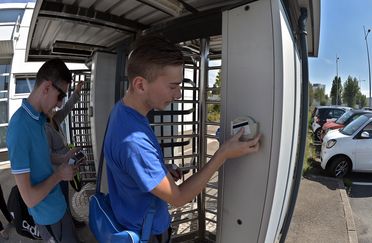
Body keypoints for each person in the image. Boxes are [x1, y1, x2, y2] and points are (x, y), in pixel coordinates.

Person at [104, 35, 261, 242]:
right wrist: (222, 154)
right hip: (146, 234)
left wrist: (160, 169)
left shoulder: (121, 111)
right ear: (140, 85)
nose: (178, 94)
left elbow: (131, 165)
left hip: (135, 219)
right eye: (172, 86)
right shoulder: (134, 142)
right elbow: (178, 198)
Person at [6, 58, 80, 243]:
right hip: (48, 217)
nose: (61, 103)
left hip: (58, 206)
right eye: (60, 95)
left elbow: (42, 157)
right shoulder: (19, 127)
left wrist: (63, 158)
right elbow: (29, 199)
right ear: (46, 87)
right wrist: (60, 176)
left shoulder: (38, 120)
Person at [45, 80, 85, 226]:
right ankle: (68, 226)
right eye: (55, 103)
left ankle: (71, 222)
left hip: (64, 167)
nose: (58, 106)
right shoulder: (43, 127)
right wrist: (66, 157)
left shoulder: (54, 119)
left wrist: (77, 92)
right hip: (57, 171)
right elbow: (48, 156)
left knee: (65, 198)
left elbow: (67, 108)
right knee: (61, 201)